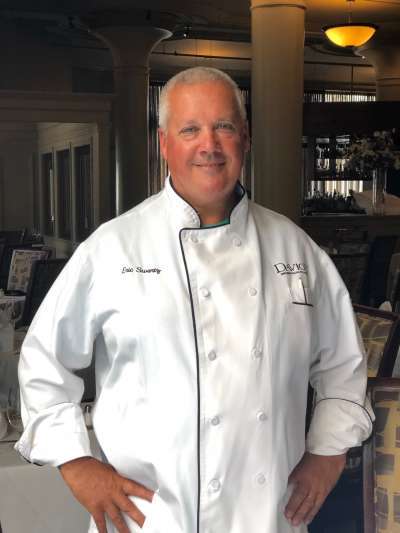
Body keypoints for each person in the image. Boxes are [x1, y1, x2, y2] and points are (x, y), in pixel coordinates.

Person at [16, 67, 373, 533]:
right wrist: (75, 462)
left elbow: (343, 365)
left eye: (223, 126)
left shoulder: (295, 249)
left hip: (266, 516)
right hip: (151, 518)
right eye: (190, 129)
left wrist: (328, 451)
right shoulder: (113, 248)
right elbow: (44, 363)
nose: (209, 144)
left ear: (244, 138)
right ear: (165, 144)